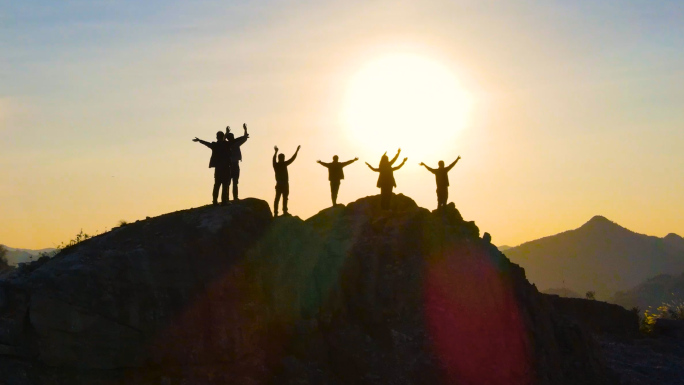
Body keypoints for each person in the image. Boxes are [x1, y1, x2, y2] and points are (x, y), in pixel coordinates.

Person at [193, 131, 232, 205]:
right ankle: (224, 201)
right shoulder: (227, 144)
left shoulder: (215, 145)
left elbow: (207, 144)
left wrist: (199, 140)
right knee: (225, 184)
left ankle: (214, 201)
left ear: (217, 137)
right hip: (226, 168)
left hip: (218, 168)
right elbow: (234, 141)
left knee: (217, 185)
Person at [273, 145, 301, 216]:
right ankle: (283, 211)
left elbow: (273, 159)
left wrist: (275, 152)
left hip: (280, 184)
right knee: (283, 198)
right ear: (282, 158)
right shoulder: (283, 164)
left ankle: (277, 212)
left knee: (278, 198)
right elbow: (292, 158)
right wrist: (297, 151)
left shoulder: (276, 165)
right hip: (283, 184)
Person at [226, 123, 249, 201]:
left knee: (229, 182)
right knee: (234, 182)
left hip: (229, 165)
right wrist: (245, 129)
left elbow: (244, 138)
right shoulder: (235, 144)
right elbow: (245, 138)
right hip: (234, 165)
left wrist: (226, 133)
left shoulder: (226, 144)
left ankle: (228, 198)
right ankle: (234, 197)